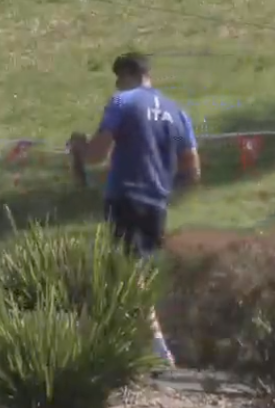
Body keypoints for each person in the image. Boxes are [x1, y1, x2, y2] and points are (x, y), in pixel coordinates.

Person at [68, 52, 199, 366]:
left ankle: (158, 350)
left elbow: (97, 155)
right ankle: (118, 346)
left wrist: (78, 147)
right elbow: (192, 170)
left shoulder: (122, 103)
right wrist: (168, 189)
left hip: (125, 197)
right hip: (157, 204)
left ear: (126, 75)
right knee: (130, 270)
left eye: (118, 78)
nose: (117, 84)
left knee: (128, 273)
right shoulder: (177, 112)